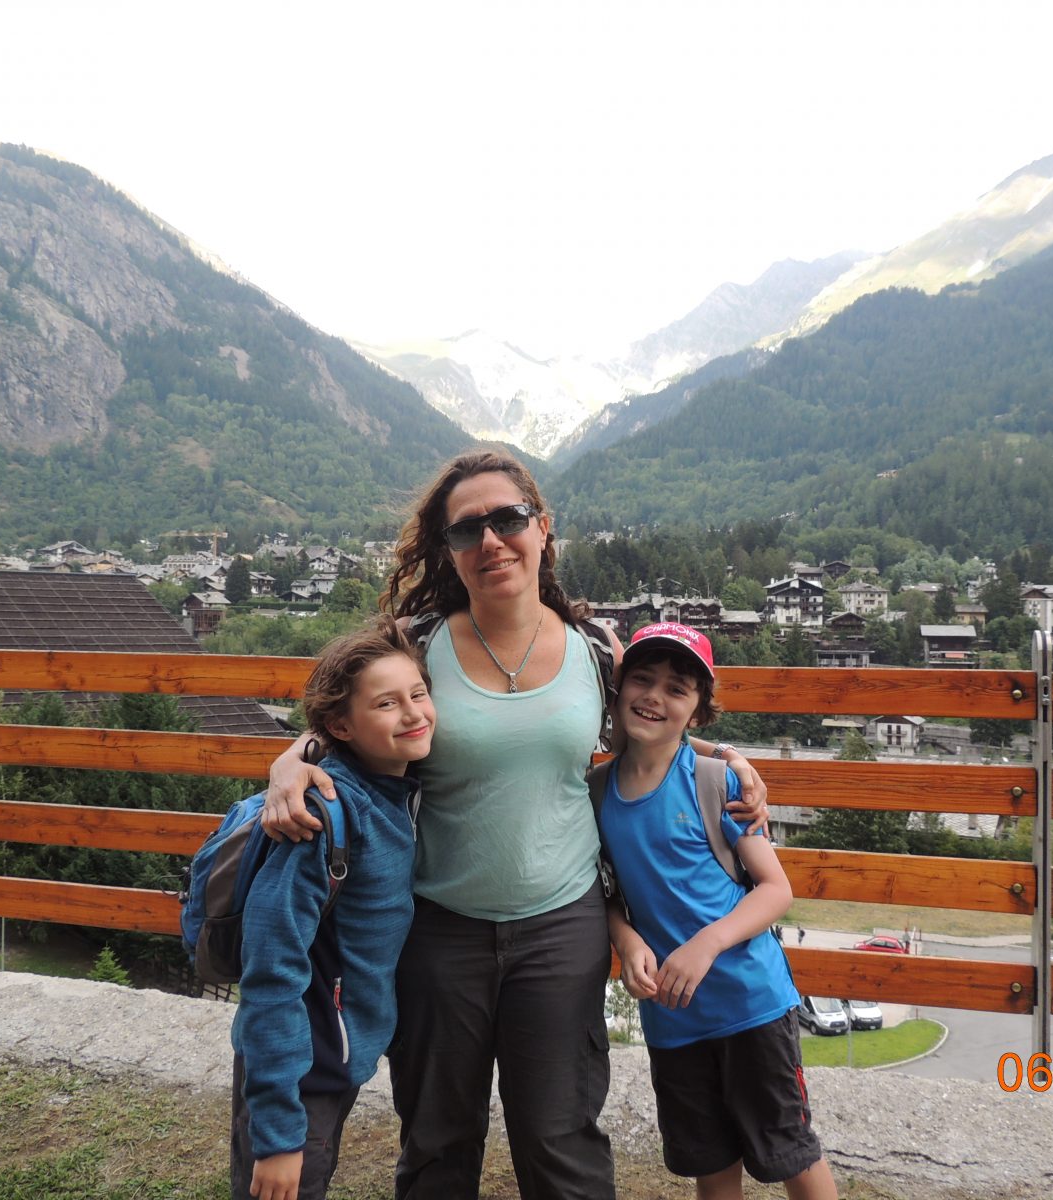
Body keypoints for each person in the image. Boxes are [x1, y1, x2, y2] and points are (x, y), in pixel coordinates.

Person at [260, 448, 768, 1200]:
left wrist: (725, 757)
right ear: (448, 550)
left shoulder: (596, 650)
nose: (491, 540)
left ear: (543, 529)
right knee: (437, 1137)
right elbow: (351, 717)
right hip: (437, 926)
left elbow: (656, 724)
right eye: (468, 529)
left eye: (508, 519)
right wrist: (290, 762)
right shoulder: (416, 642)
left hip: (560, 928)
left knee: (559, 1137)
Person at [599, 622, 837, 1200]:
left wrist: (706, 943)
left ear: (699, 711)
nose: (654, 697)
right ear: (618, 687)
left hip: (750, 1005)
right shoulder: (595, 791)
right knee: (711, 1163)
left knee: (791, 1154)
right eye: (642, 679)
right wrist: (626, 941)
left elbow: (775, 889)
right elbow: (602, 890)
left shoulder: (716, 780)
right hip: (674, 1021)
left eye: (676, 689)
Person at [232, 617, 435, 1200]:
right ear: (341, 726)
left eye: (418, 694)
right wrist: (275, 1136)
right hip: (299, 1069)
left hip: (332, 1055)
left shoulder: (394, 788)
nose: (414, 714)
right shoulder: (320, 817)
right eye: (387, 704)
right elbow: (271, 969)